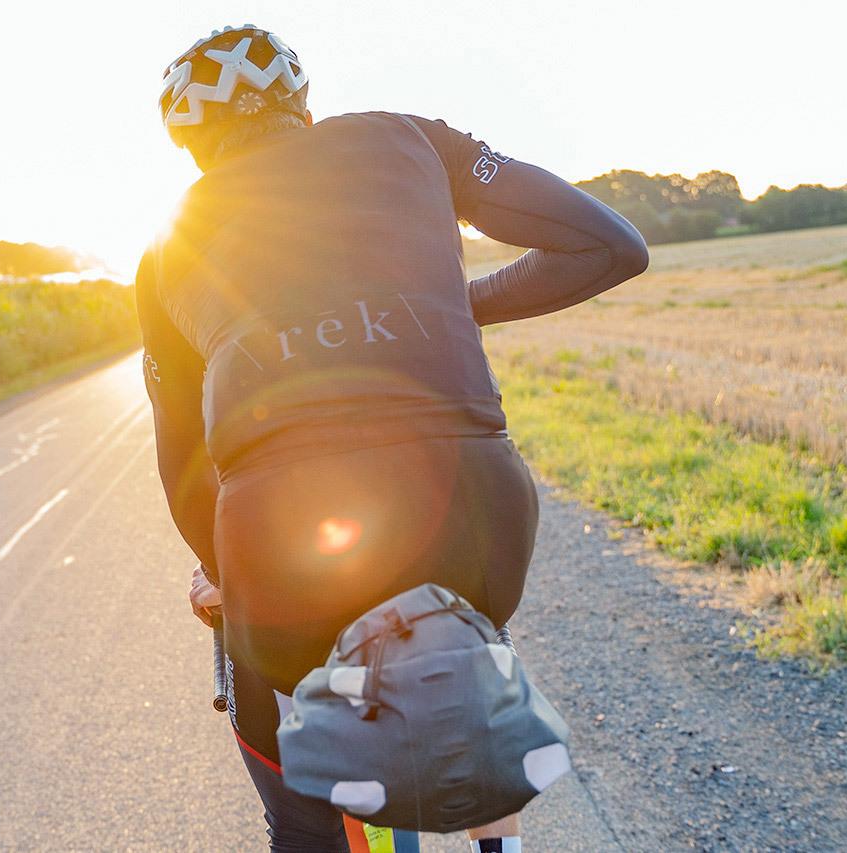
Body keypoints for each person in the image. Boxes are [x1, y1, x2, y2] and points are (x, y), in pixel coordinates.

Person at [139, 27, 649, 853]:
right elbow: (609, 246)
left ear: (190, 144)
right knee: (462, 649)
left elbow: (182, 458)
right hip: (476, 520)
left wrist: (224, 577)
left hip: (282, 547)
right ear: (301, 103)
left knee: (301, 802)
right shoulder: (412, 139)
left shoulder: (167, 247)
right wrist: (445, 306)